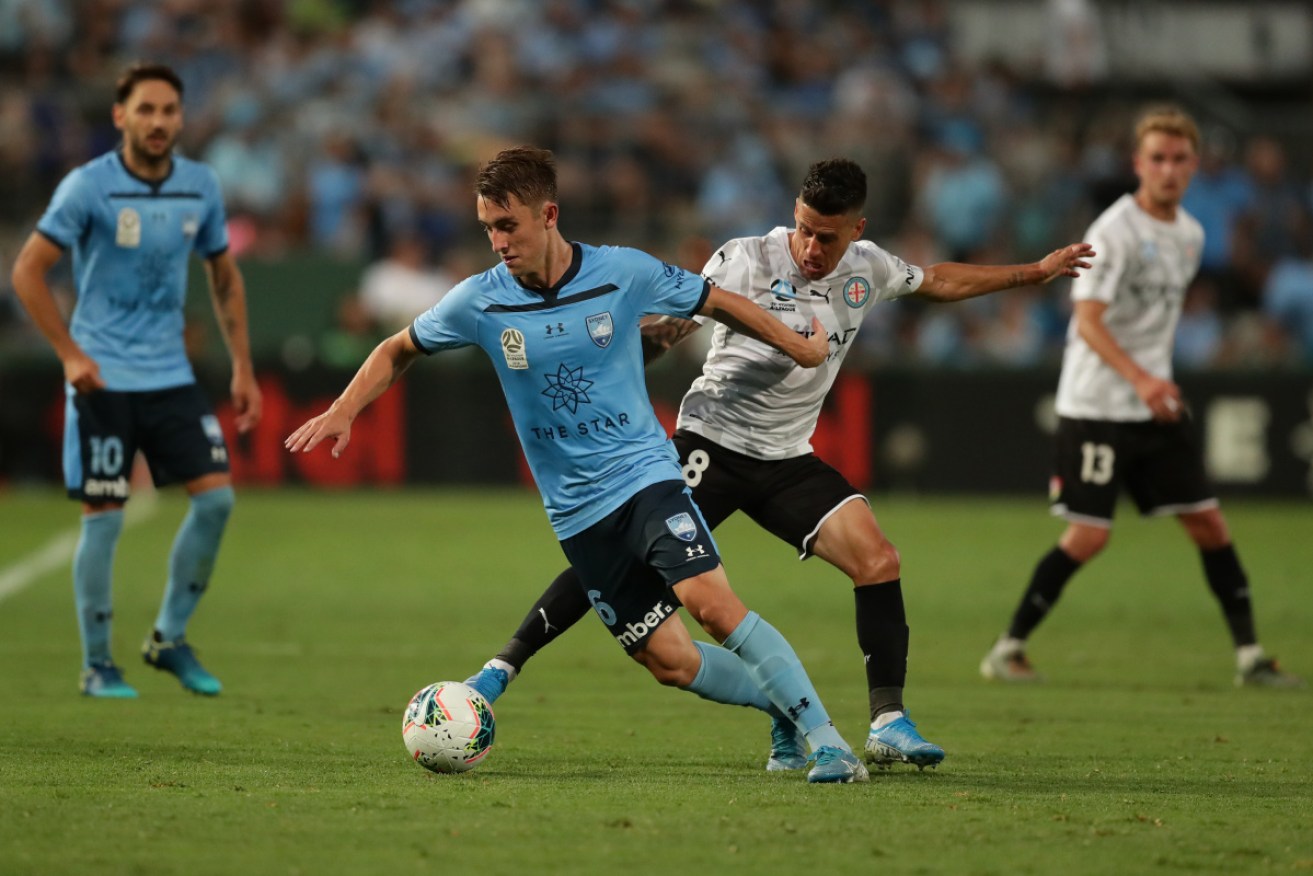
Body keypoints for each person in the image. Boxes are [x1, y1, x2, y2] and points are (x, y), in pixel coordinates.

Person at [462, 157, 1095, 770]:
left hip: (786, 458)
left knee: (878, 560)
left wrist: (1033, 271)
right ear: (793, 213)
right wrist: (626, 359)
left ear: (857, 231)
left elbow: (937, 280)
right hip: (708, 443)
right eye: (803, 229)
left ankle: (887, 722)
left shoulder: (868, 270)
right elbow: (677, 324)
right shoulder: (743, 258)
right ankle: (508, 661)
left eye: (827, 236)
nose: (811, 247)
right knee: (618, 557)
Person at [286, 146, 870, 783]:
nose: (497, 241)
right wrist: (345, 408)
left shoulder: (622, 271)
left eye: (508, 225)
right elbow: (398, 348)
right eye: (487, 227)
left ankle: (829, 742)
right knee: (669, 662)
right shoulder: (479, 301)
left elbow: (716, 301)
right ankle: (782, 707)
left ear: (549, 215)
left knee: (711, 605)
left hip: (646, 477)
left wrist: (797, 345)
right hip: (575, 512)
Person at [979, 107, 1303, 689]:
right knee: (1089, 536)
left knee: (1209, 524)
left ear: (1194, 165)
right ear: (1138, 164)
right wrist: (1143, 378)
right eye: (1157, 158)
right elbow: (1088, 321)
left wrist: (1156, 381)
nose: (1169, 169)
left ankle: (1251, 657)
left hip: (1153, 403)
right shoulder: (1115, 232)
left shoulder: (1191, 234)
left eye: (1180, 159)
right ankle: (1008, 647)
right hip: (1098, 404)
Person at [10, 63, 262, 698]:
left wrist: (242, 366)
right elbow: (27, 272)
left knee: (216, 500)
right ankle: (98, 663)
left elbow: (224, 277)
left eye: (169, 111)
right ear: (120, 116)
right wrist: (69, 353)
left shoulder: (199, 186)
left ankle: (167, 637)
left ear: (181, 118)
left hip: (168, 373)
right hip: (101, 376)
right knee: (105, 517)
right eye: (145, 110)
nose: (158, 122)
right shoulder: (87, 187)